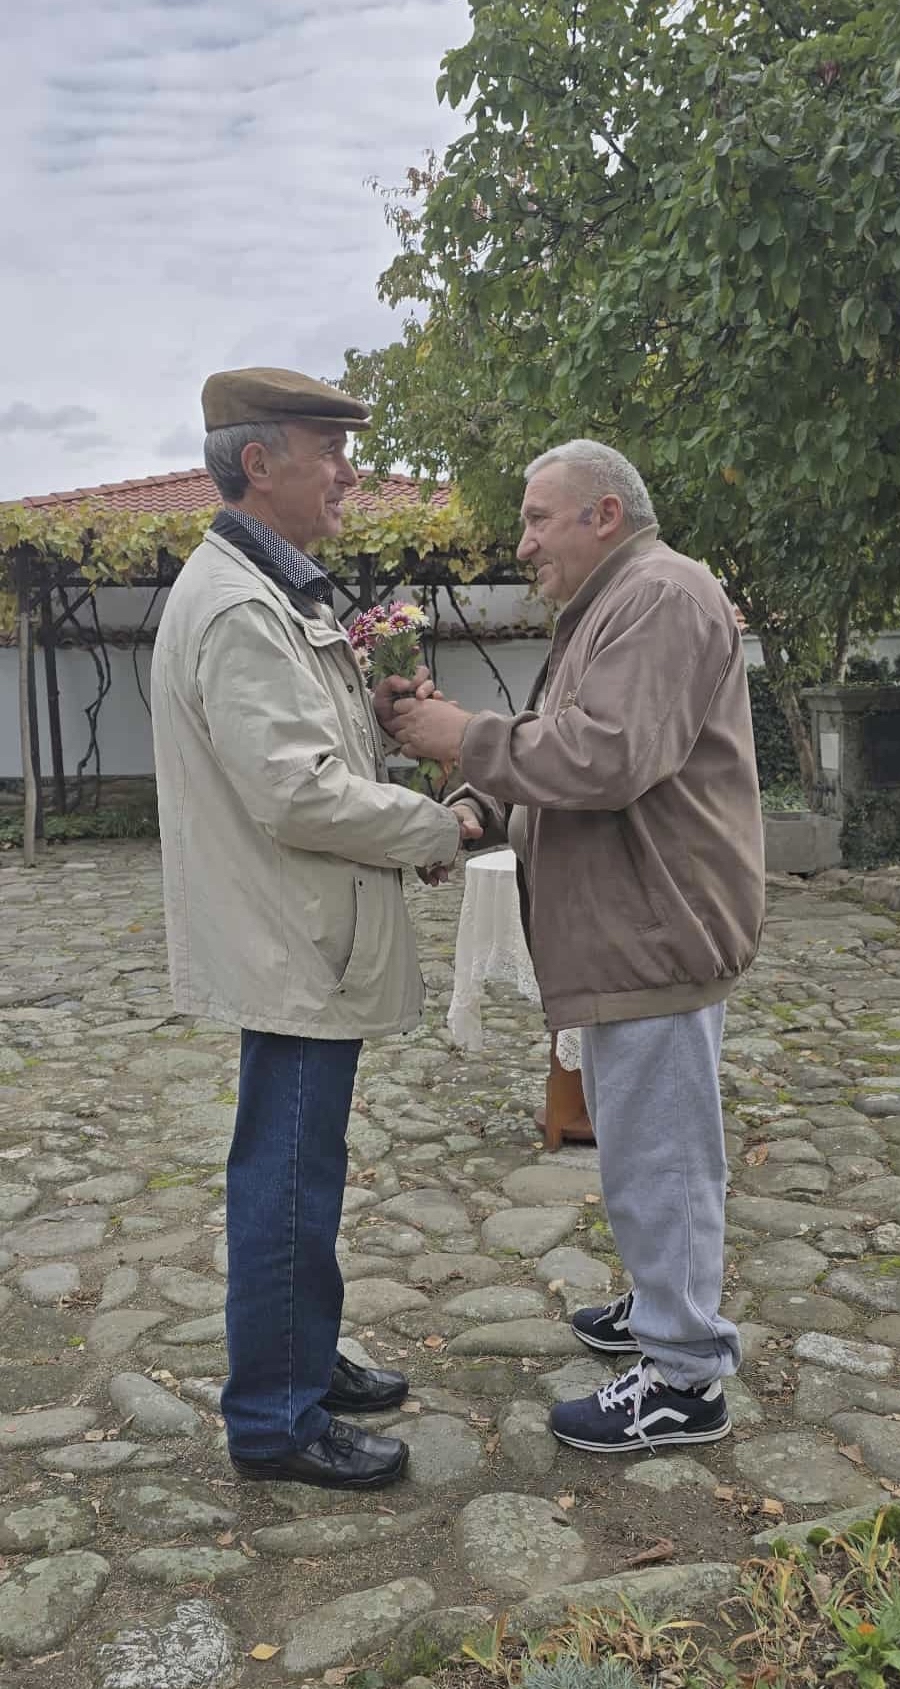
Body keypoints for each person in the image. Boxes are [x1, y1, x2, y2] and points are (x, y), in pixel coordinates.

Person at [392, 439, 765, 1454]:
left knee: (661, 1158)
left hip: (654, 927)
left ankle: (684, 1376)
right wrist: (476, 805)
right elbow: (566, 744)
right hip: (630, 927)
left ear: (604, 514)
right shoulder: (617, 602)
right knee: (639, 1140)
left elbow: (606, 757)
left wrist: (464, 737)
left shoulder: (660, 596)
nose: (522, 544)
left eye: (536, 518)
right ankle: (661, 1306)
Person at [151, 366, 477, 1489]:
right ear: (259, 463)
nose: (349, 471)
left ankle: (297, 1355)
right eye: (327, 448)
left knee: (301, 1169)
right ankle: (275, 1419)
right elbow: (296, 794)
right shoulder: (242, 608)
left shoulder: (268, 590)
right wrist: (434, 825)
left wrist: (374, 725)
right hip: (292, 940)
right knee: (287, 1178)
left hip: (298, 932)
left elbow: (307, 756)